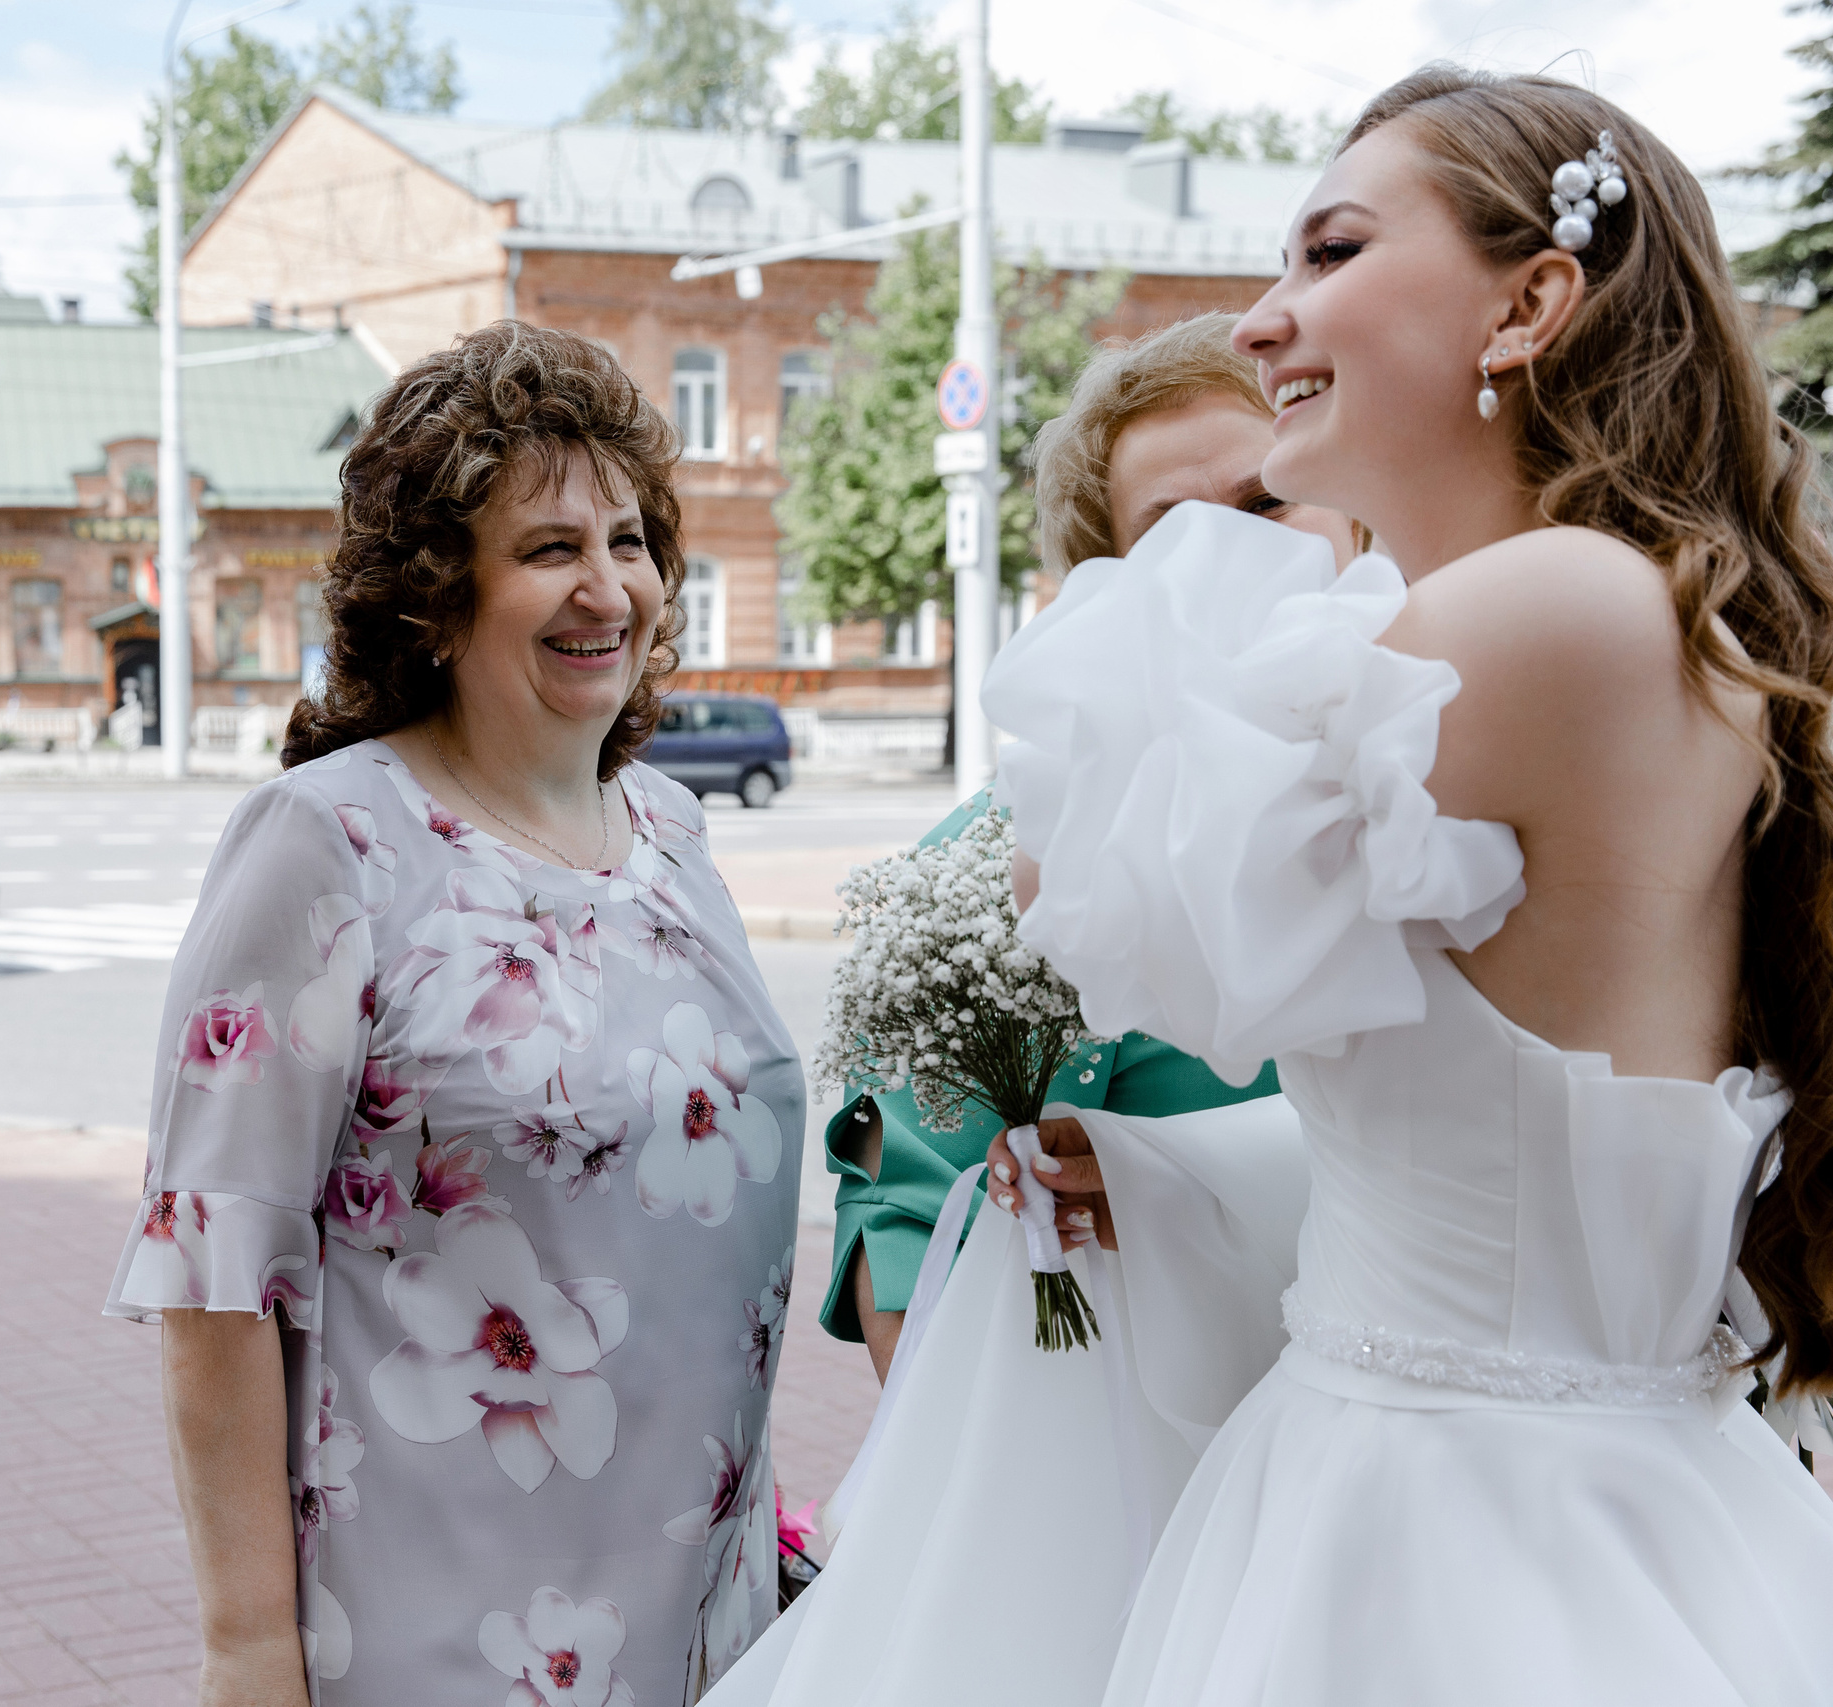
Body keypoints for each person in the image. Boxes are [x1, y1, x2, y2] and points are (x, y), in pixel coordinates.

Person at [722, 65, 1833, 1706]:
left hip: (1464, 1532)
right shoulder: (1598, 604)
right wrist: (1181, 1180)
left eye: (1329, 251)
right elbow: (1496, 1151)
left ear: (1529, 304)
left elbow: (1082, 875)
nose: (1260, 322)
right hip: (1469, 1469)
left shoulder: (1558, 608)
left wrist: (1282, 559)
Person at [106, 320, 805, 1707]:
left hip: (709, 1597)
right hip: (452, 1619)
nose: (608, 586)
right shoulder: (328, 841)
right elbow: (215, 1278)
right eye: (548, 548)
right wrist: (249, 1650)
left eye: (629, 538)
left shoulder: (670, 825)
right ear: (436, 592)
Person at [824, 313, 1353, 1381]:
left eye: (1264, 504)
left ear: (1357, 512)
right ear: (1107, 579)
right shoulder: (1000, 863)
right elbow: (913, 1233)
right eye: (1166, 534)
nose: (1226, 553)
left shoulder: (1474, 770)